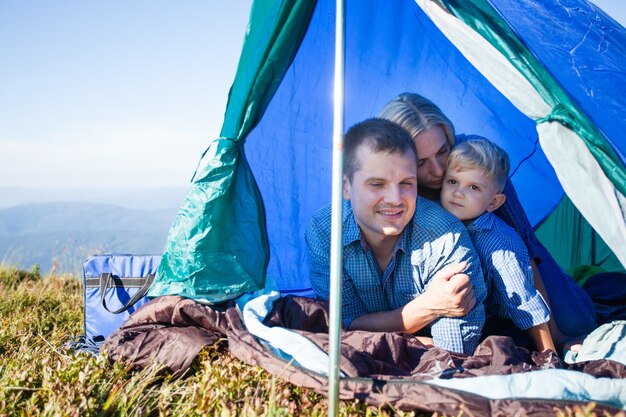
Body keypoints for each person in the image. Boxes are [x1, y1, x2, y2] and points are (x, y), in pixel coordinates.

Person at [378, 92, 596, 348]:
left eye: (443, 151)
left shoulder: (477, 160)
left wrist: (555, 335)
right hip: (446, 288)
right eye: (421, 162)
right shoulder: (393, 190)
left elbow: (522, 240)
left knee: (577, 323)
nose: (437, 171)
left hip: (507, 264)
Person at [306, 117, 487, 355]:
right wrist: (428, 306)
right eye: (377, 184)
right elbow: (342, 328)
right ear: (346, 186)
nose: (395, 198)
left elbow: (453, 353)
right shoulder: (325, 233)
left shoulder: (446, 237)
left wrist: (367, 335)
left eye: (406, 183)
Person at [440, 138, 555, 352]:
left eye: (473, 187)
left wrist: (549, 353)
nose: (458, 192)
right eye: (452, 181)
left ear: (494, 202)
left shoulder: (500, 245)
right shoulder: (440, 221)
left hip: (505, 327)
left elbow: (524, 302)